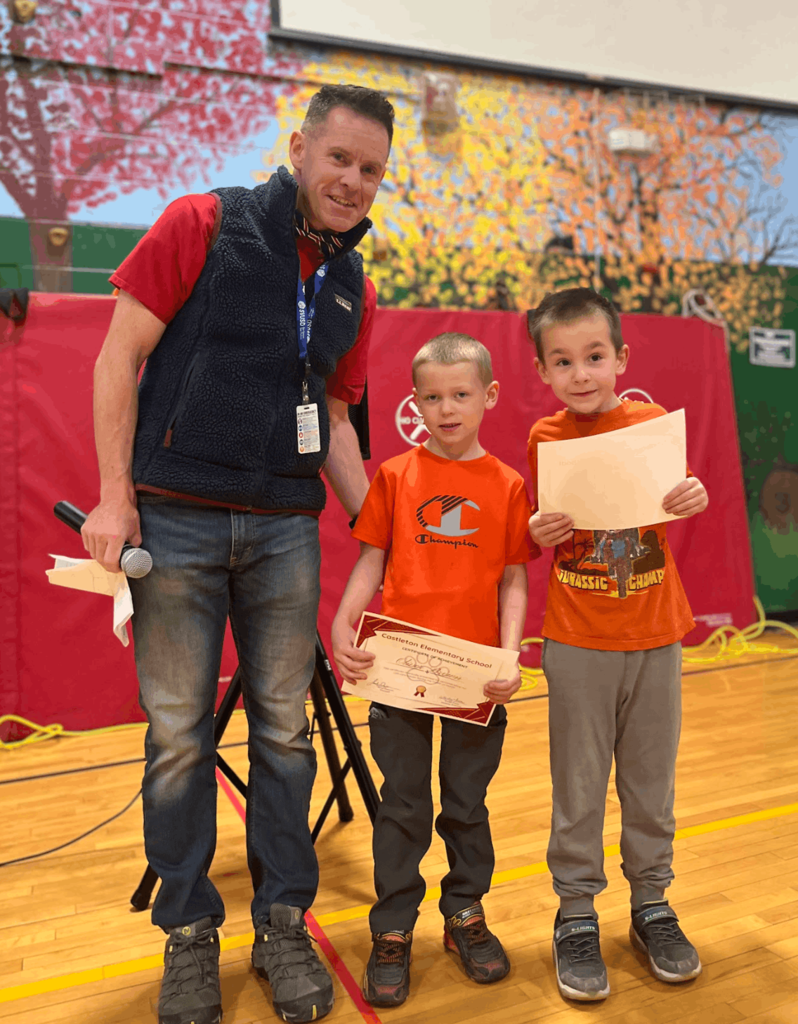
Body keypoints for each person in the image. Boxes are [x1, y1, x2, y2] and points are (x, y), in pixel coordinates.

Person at [80, 84, 395, 1024]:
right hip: (173, 518)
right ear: (299, 148)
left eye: (371, 170)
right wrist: (112, 495)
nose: (351, 181)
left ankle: (283, 923)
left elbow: (336, 423)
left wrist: (386, 538)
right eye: (338, 158)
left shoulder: (352, 287)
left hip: (284, 530)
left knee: (286, 735)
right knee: (178, 739)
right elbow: (114, 359)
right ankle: (188, 935)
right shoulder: (205, 222)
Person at [331, 333, 533, 1008]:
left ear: (488, 397)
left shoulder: (507, 486)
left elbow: (513, 582)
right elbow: (371, 563)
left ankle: (466, 914)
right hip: (400, 676)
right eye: (433, 397)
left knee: (467, 806)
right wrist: (341, 624)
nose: (447, 409)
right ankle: (392, 927)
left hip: (476, 680)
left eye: (461, 395)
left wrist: (508, 656)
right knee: (404, 805)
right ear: (415, 402)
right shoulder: (394, 476)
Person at [526, 288, 709, 1002]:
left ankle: (652, 905)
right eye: (563, 361)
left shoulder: (654, 424)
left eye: (594, 357)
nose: (581, 373)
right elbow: (546, 532)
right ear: (543, 370)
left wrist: (689, 494)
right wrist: (540, 533)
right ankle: (575, 914)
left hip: (658, 636)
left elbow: (673, 500)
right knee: (578, 787)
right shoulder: (547, 438)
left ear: (620, 359)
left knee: (650, 785)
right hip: (577, 641)